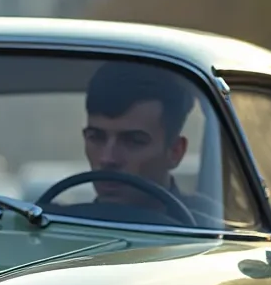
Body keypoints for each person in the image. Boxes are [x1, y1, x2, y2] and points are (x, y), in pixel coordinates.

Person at [82, 60, 199, 213]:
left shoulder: (211, 231)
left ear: (175, 152)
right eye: (96, 137)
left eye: (133, 141)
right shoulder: (55, 223)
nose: (107, 159)